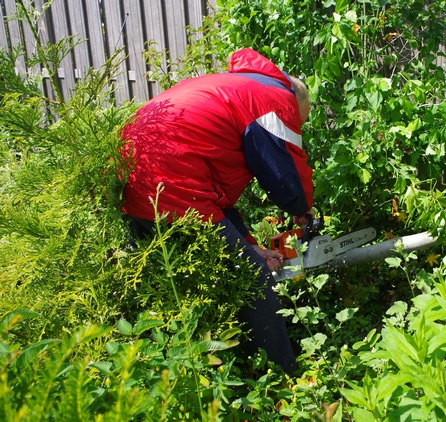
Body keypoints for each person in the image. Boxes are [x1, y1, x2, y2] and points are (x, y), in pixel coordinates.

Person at [120, 48, 314, 374]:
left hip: (133, 177)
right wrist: (303, 209)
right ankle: (282, 381)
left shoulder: (234, 87)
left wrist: (250, 245)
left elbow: (217, 202)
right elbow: (287, 181)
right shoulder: (273, 100)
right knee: (252, 279)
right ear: (295, 105)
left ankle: (163, 366)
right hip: (169, 179)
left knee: (178, 280)